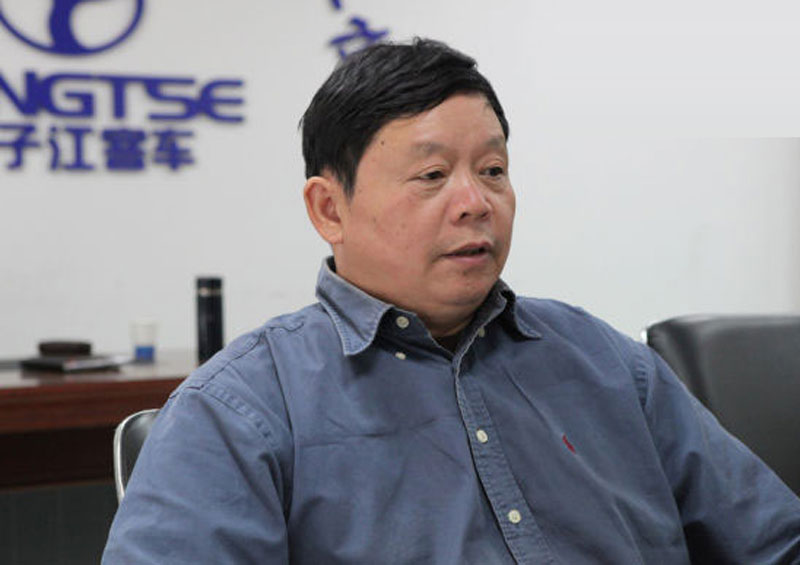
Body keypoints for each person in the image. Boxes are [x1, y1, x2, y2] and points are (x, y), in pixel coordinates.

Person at [103, 39, 800, 564]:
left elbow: (773, 539)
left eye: (493, 169)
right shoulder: (239, 411)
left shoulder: (611, 364)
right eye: (432, 175)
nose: (475, 202)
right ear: (329, 208)